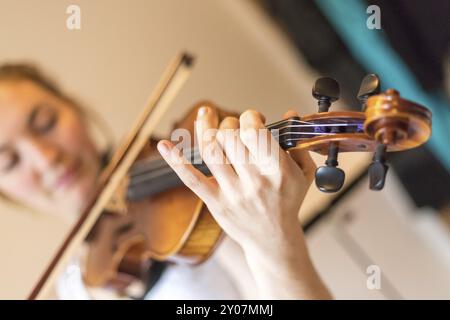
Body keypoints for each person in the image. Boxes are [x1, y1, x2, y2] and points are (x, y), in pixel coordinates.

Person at [0, 63, 331, 299]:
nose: (46, 159)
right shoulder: (67, 292)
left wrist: (272, 239)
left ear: (73, 108)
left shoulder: (186, 188)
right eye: (9, 162)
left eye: (46, 122)